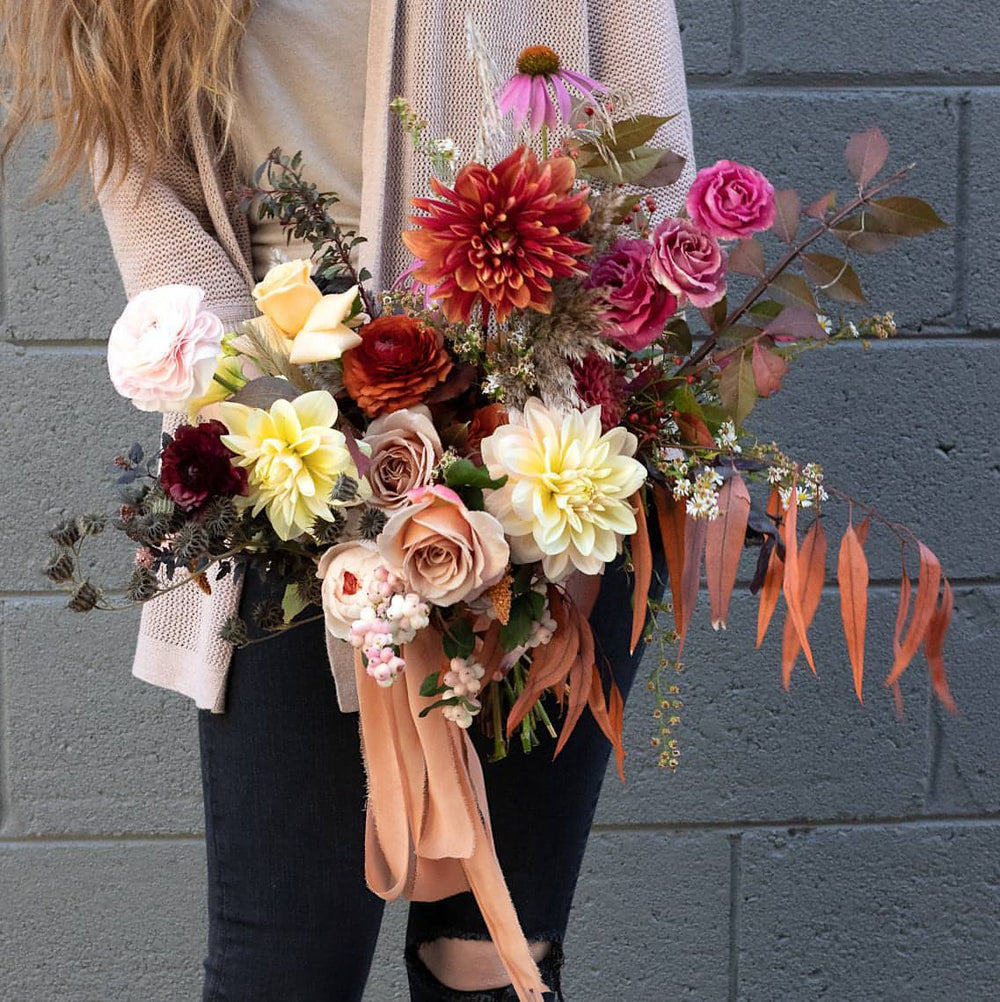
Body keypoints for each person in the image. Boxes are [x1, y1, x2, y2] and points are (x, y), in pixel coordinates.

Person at [1, 2, 694, 998]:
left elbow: (649, 158)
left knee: (495, 964)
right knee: (281, 969)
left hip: (554, 461)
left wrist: (540, 399)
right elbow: (161, 233)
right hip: (284, 473)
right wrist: (303, 443)